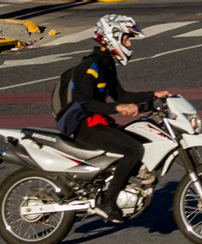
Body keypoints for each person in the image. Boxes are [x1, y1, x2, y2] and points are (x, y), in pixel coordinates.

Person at [56, 14, 172, 223]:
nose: (129, 44)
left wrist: (154, 95)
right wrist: (118, 107)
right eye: (127, 39)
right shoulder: (90, 66)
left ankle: (118, 186)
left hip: (97, 123)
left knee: (140, 139)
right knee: (133, 149)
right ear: (113, 37)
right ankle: (108, 202)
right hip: (83, 126)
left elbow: (121, 95)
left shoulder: (106, 64)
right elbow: (85, 102)